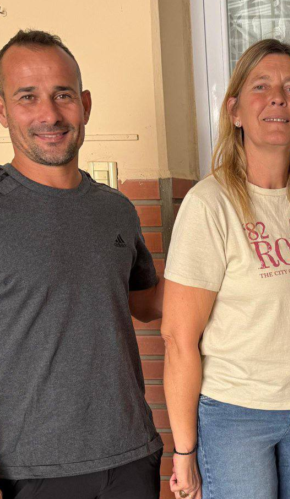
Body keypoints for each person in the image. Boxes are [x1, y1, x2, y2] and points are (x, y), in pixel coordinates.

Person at [162, 39, 290, 499]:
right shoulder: (210, 204)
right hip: (235, 413)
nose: (278, 98)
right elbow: (179, 339)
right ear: (235, 111)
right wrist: (184, 452)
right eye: (260, 86)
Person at [0, 30, 164, 499]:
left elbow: (146, 304)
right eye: (27, 97)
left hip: (131, 455)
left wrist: (227, 261)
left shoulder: (116, 209)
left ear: (85, 105)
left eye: (63, 95)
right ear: (2, 111)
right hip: (31, 468)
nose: (50, 114)